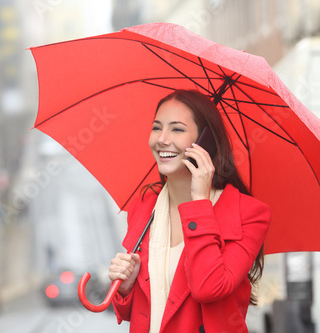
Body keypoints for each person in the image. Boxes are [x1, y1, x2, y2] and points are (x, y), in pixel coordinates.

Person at [108, 89, 271, 333]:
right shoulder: (144, 209)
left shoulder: (248, 214)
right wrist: (126, 287)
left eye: (177, 129)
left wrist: (199, 204)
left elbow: (209, 288)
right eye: (156, 127)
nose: (162, 139)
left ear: (205, 141)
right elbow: (145, 313)